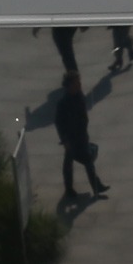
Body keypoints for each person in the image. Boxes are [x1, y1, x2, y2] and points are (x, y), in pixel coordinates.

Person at [52, 69, 108, 199]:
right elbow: (59, 123)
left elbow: (83, 115)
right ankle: (74, 189)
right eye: (76, 83)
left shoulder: (79, 97)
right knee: (74, 163)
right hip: (71, 139)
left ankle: (94, 186)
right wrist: (65, 140)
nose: (79, 85)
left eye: (79, 82)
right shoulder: (63, 103)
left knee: (84, 161)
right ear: (69, 85)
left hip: (81, 136)